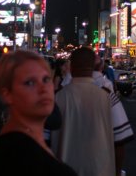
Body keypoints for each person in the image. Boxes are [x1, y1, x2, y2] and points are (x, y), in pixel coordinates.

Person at [0, 51, 77, 176]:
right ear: (7, 94)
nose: (43, 88)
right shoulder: (18, 154)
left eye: (46, 79)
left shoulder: (18, 145)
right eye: (30, 83)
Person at [52, 47, 117, 176]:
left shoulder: (57, 98)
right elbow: (121, 140)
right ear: (93, 66)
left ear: (72, 66)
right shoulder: (108, 97)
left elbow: (43, 140)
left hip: (64, 169)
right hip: (101, 170)